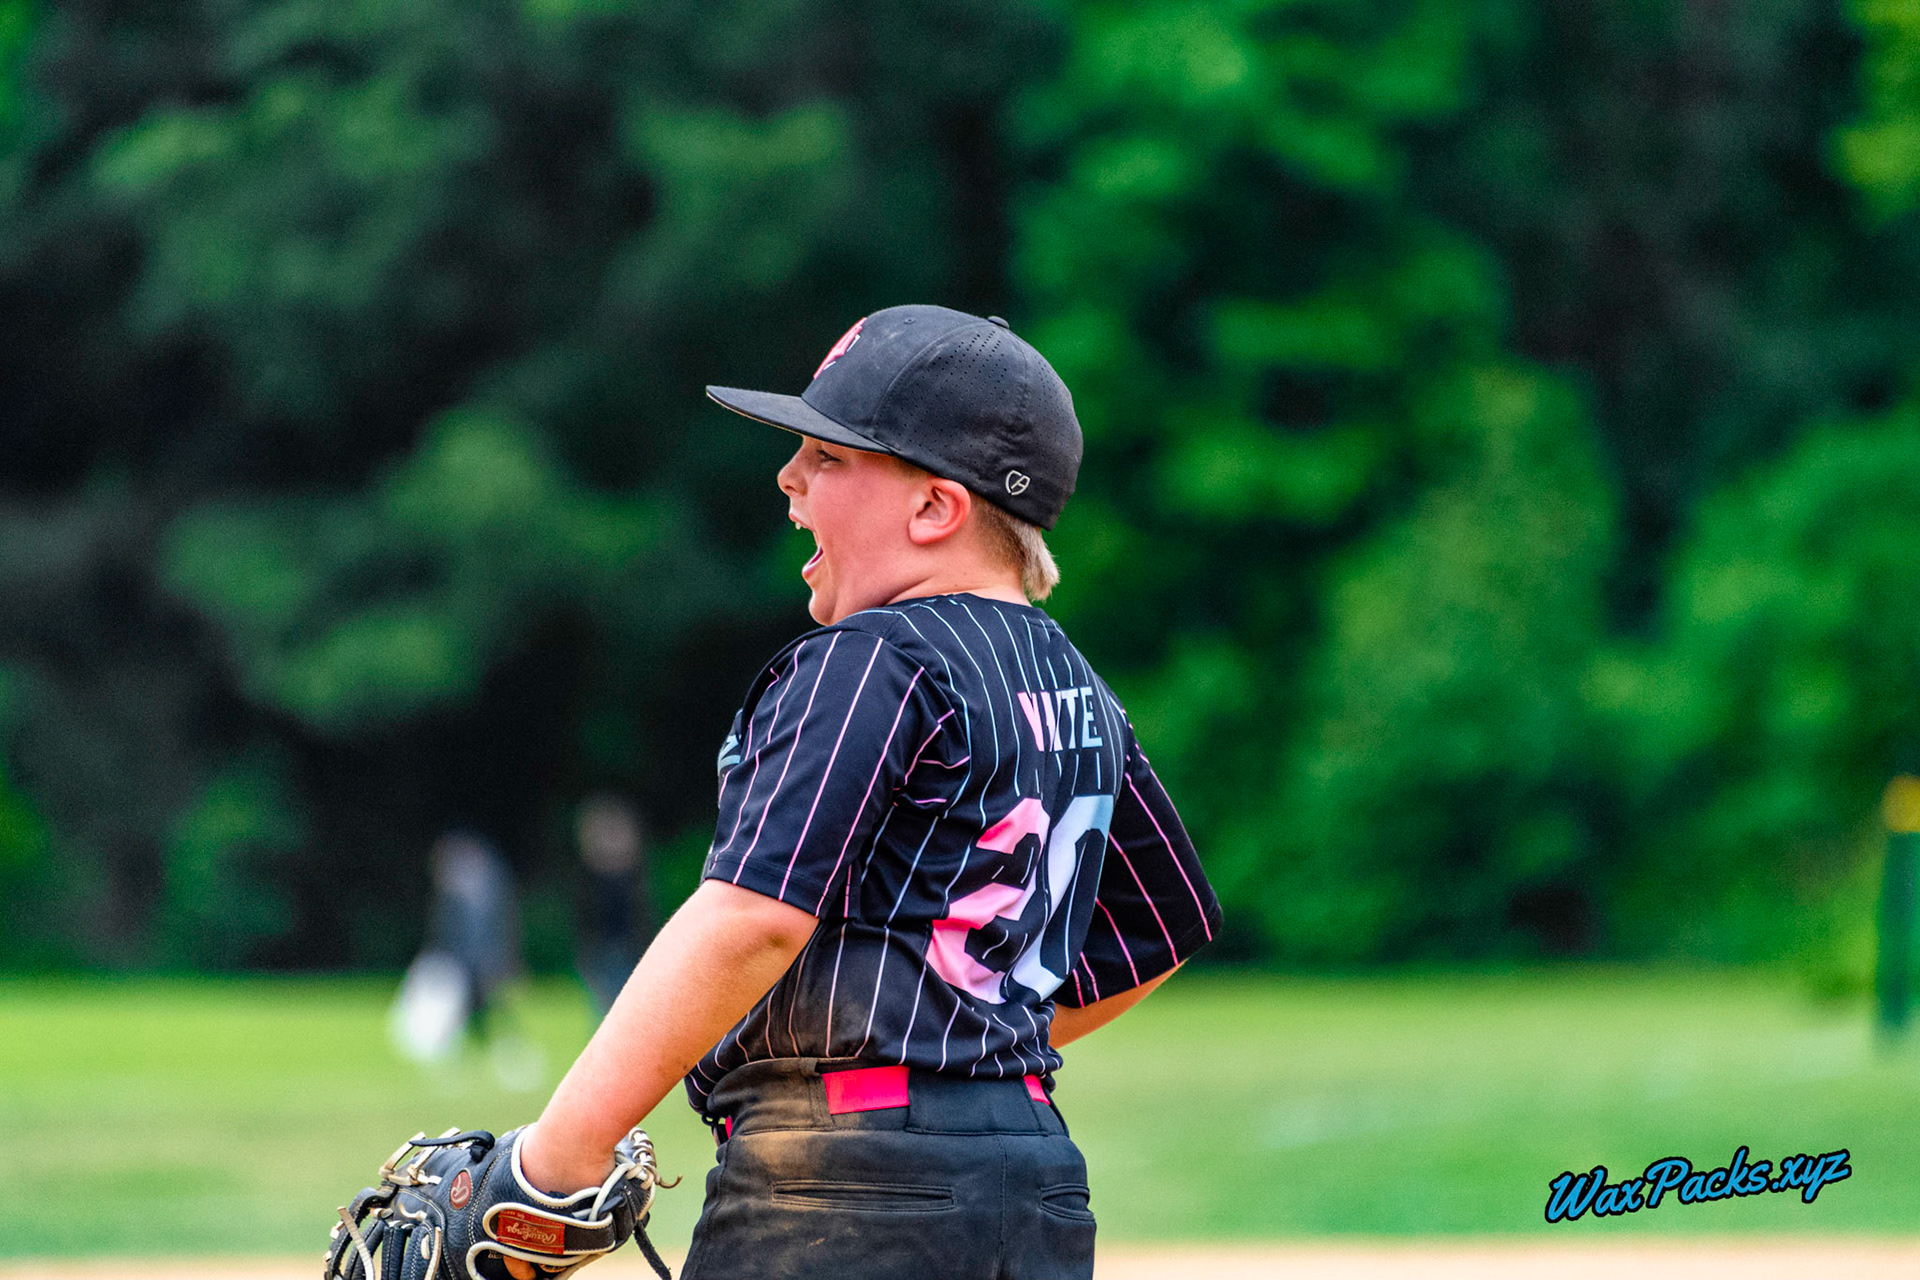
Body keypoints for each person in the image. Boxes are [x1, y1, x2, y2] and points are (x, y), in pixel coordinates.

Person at [515, 305, 1221, 1280]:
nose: (789, 478)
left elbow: (752, 919)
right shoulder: (1077, 685)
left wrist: (557, 1156)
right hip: (1034, 1178)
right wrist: (969, 1054)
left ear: (935, 509)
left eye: (827, 456)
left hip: (843, 1192)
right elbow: (1162, 927)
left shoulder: (870, 659)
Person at [575, 793, 655, 1016]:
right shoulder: (591, 877)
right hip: (602, 949)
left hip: (628, 947)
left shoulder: (631, 874)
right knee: (605, 1009)